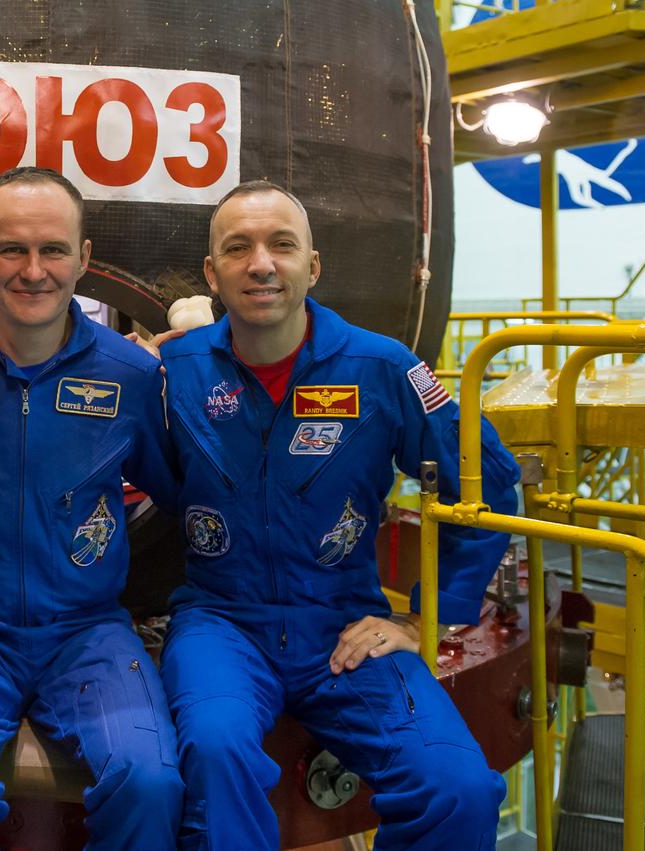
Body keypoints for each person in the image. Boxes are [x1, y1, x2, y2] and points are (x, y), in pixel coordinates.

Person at [158, 181, 521, 850]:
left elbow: (491, 483)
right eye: (237, 248)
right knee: (213, 753)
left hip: (344, 627)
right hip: (222, 624)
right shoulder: (173, 370)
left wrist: (423, 616)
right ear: (213, 274)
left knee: (459, 789)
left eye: (281, 245)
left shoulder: (381, 369)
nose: (260, 263)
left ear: (313, 266)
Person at [0, 167, 184, 850]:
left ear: (83, 258)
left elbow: (187, 502)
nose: (33, 270)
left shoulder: (129, 375)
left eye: (52, 249)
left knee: (150, 781)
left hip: (89, 631)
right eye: (12, 249)